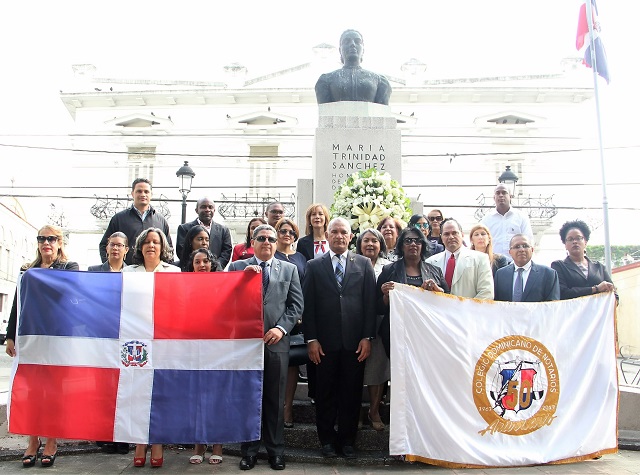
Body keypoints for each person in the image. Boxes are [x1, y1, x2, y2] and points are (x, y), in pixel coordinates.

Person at [228, 225, 303, 471]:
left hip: (276, 344)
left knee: (275, 399)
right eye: (261, 238)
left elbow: (295, 306)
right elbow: (226, 301)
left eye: (271, 238)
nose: (267, 242)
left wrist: (280, 329)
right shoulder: (238, 267)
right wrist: (243, 280)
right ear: (252, 241)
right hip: (246, 346)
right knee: (249, 399)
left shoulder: (290, 269)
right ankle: (248, 452)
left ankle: (275, 452)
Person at [6, 225, 80, 468]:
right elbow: (18, 303)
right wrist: (10, 336)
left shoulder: (70, 268)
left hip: (58, 337)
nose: (46, 242)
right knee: (31, 391)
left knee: (53, 392)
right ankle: (32, 440)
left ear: (60, 242)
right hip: (31, 337)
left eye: (51, 238)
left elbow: (68, 293)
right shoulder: (27, 271)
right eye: (42, 238)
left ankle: (51, 440)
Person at [303, 218, 376, 460]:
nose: (339, 236)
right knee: (324, 393)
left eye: (343, 232)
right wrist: (311, 339)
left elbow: (370, 304)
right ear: (326, 234)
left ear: (350, 236)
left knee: (351, 393)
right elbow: (308, 307)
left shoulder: (364, 265)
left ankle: (347, 441)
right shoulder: (314, 266)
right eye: (334, 231)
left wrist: (367, 337)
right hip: (324, 344)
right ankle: (326, 440)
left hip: (355, 343)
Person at [123, 228, 176, 468]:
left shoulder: (174, 271)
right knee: (137, 391)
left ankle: (157, 442)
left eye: (156, 242)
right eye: (147, 242)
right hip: (135, 341)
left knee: (160, 392)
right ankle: (139, 442)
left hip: (164, 339)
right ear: (140, 247)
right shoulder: (128, 272)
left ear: (162, 246)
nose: (151, 245)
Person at [378, 227, 449, 358]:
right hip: (396, 332)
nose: (413, 244)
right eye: (408, 241)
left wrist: (438, 291)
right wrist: (386, 296)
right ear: (401, 245)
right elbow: (378, 308)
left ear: (423, 245)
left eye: (418, 241)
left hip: (427, 332)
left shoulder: (435, 271)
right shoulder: (388, 270)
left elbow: (448, 303)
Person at [88, 231, 129, 455]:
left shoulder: (132, 273)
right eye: (112, 245)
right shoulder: (94, 272)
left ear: (127, 250)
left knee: (122, 386)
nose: (115, 249)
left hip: (123, 336)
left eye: (120, 245)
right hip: (100, 335)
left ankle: (121, 436)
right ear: (107, 248)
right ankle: (103, 433)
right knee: (101, 387)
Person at [185, 248, 224, 465]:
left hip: (217, 348)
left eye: (206, 261)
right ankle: (199, 445)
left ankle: (217, 445)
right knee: (197, 398)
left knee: (216, 397)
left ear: (212, 264)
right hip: (193, 348)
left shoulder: (222, 285)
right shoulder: (185, 287)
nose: (201, 265)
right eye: (197, 261)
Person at [355, 228, 390, 431]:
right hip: (355, 323)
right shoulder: (352, 263)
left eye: (374, 241)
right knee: (357, 369)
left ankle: (374, 410)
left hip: (380, 323)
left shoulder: (389, 266)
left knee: (378, 368)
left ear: (381, 245)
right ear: (359, 244)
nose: (370, 244)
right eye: (366, 240)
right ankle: (357, 410)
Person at [274, 218, 307, 429]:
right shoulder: (271, 254)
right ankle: (274, 408)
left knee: (293, 363)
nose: (288, 234)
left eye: (292, 232)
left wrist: (300, 312)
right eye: (283, 231)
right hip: (273, 317)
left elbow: (304, 285)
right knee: (275, 365)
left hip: (296, 318)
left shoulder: (301, 258)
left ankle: (287, 408)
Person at [99, 178, 172, 266]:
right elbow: (104, 245)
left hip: (153, 274)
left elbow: (169, 249)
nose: (143, 194)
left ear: (151, 195)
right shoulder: (119, 218)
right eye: (139, 191)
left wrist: (166, 270)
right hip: (126, 274)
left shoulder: (161, 220)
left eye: (146, 191)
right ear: (132, 194)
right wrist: (111, 267)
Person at [315, 29, 391, 105]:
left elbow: (382, 113)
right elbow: (325, 113)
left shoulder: (380, 81)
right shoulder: (325, 80)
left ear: (363, 50)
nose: (352, 44)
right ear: (340, 50)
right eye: (346, 41)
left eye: (357, 41)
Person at [550, 220, 617, 301]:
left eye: (578, 238)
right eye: (570, 239)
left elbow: (614, 294)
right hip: (573, 312)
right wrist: (595, 289)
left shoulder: (599, 267)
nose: (575, 242)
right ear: (565, 244)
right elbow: (563, 293)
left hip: (598, 313)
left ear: (585, 241)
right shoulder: (559, 266)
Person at [426, 219, 494, 299]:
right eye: (446, 234)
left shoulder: (480, 259)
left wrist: (464, 310)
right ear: (441, 237)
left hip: (469, 310)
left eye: (455, 233)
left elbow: (486, 293)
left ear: (462, 235)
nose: (451, 237)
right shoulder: (430, 262)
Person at [494, 234, 560, 302]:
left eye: (525, 246)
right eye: (517, 247)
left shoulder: (548, 274)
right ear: (510, 252)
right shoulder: (500, 274)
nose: (521, 249)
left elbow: (552, 306)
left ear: (532, 250)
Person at [175, 197, 232, 269]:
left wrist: (214, 267)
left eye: (210, 207)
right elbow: (181, 250)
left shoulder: (224, 230)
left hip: (215, 273)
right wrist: (196, 266)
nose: (207, 210)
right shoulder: (184, 228)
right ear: (196, 210)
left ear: (214, 210)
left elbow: (226, 252)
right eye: (203, 207)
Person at [480, 184, 533, 260]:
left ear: (510, 196)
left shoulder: (521, 217)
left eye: (504, 192)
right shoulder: (486, 219)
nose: (501, 195)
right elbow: (481, 242)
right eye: (498, 193)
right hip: (493, 263)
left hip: (516, 264)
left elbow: (529, 241)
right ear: (494, 197)